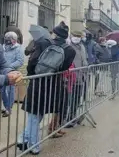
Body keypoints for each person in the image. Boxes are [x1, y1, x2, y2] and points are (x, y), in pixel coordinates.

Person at [18, 21, 76, 155]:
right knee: (39, 114)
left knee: (34, 115)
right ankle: (24, 139)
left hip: (37, 82)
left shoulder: (43, 42)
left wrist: (32, 75)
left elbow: (32, 62)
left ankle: (33, 145)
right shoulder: (70, 50)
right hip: (54, 84)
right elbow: (64, 68)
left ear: (54, 33)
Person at [63, 30, 88, 128]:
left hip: (80, 77)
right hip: (70, 78)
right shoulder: (68, 47)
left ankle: (72, 116)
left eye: (79, 36)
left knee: (77, 98)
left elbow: (84, 59)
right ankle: (66, 118)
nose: (77, 38)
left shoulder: (82, 47)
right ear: (71, 36)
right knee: (69, 99)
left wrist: (85, 71)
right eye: (75, 36)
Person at [0, 32, 24, 117]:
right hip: (1, 72)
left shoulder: (18, 48)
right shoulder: (3, 47)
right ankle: (6, 106)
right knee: (1, 90)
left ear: (13, 40)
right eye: (6, 38)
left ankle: (8, 109)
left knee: (10, 90)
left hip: (12, 73)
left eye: (9, 39)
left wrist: (8, 67)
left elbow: (20, 61)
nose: (7, 40)